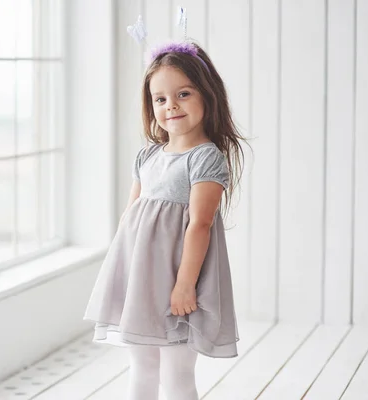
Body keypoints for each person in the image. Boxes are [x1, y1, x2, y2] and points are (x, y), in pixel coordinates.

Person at [82, 31, 246, 400]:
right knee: (142, 367)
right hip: (142, 281)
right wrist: (122, 277)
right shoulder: (148, 157)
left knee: (176, 373)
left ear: (208, 94)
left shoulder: (205, 158)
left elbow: (200, 225)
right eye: (160, 98)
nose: (171, 105)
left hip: (177, 282)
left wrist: (185, 285)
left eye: (183, 93)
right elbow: (131, 218)